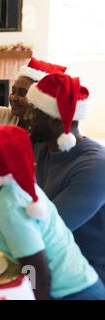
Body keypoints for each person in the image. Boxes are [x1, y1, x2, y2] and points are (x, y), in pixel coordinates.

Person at [0, 120, 105, 300]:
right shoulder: (16, 187)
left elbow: (36, 271)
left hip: (73, 293)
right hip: (74, 285)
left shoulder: (9, 205)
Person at [26, 73, 105, 282]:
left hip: (85, 273)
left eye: (33, 111)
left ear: (53, 121)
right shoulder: (42, 144)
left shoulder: (95, 167)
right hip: (50, 256)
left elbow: (48, 229)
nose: (26, 117)